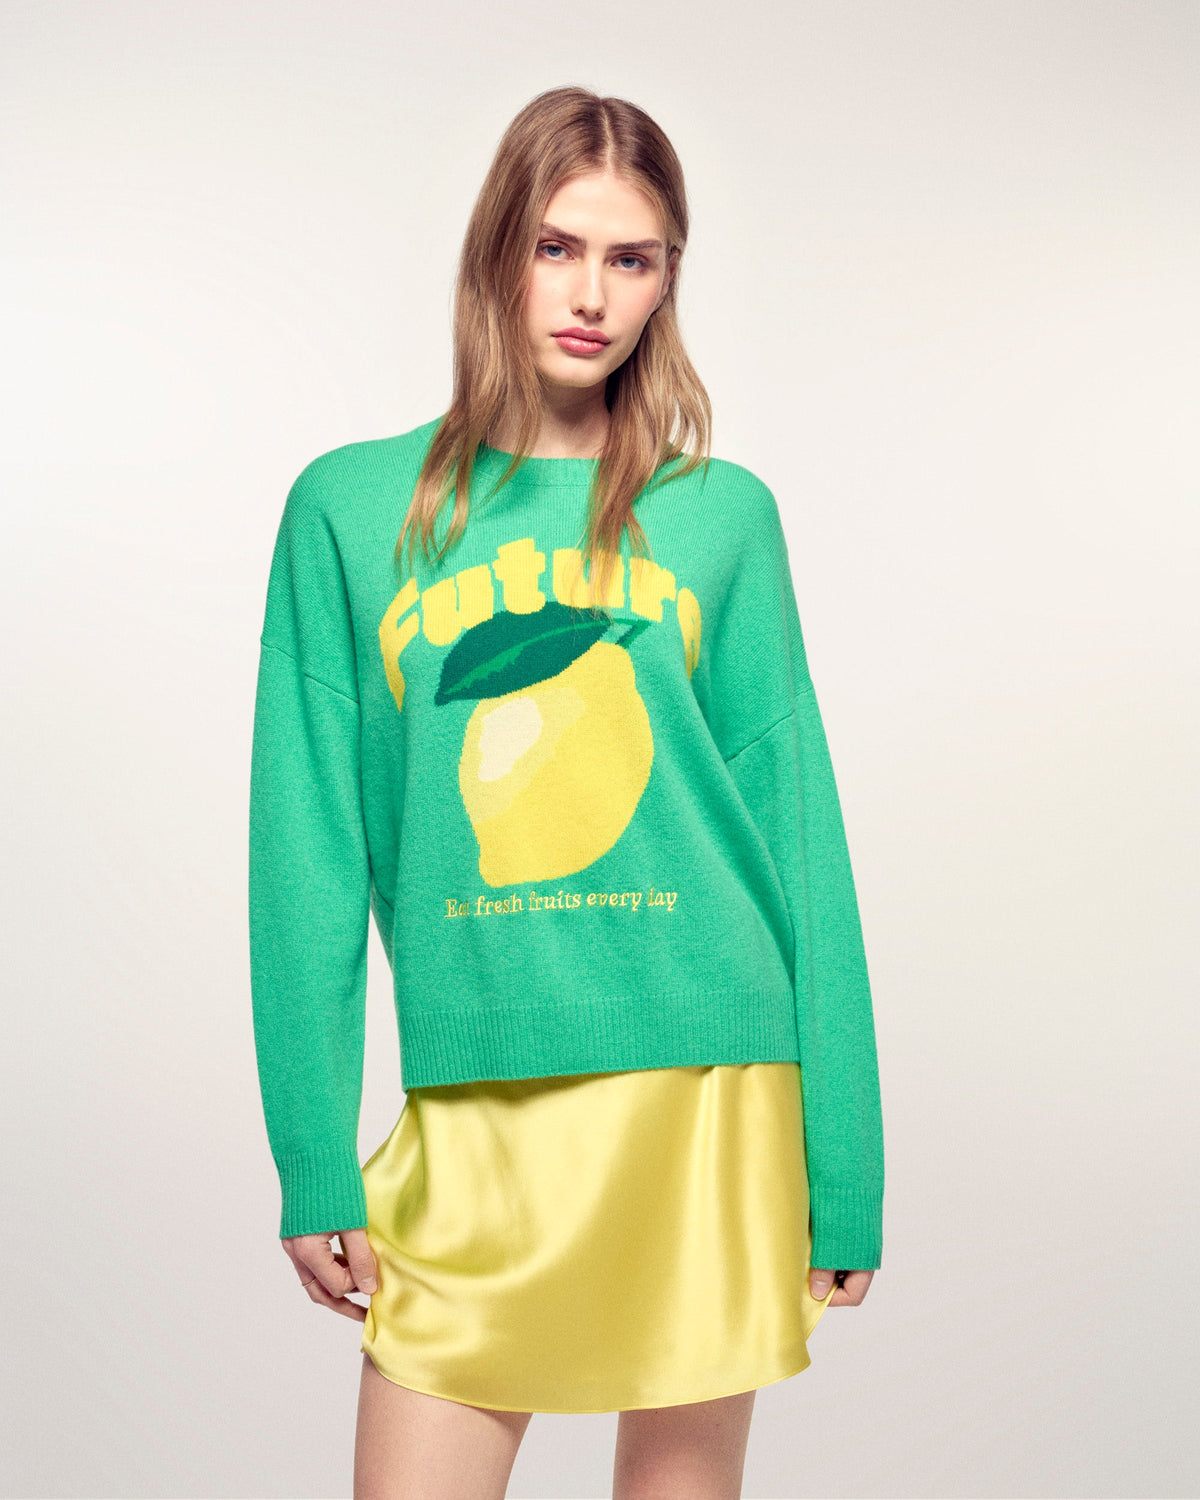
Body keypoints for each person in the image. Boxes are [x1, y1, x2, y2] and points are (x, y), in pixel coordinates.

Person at [249, 85, 885, 1500]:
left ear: (667, 280)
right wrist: (311, 1152)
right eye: (557, 247)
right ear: (498, 251)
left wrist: (846, 1161)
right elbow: (306, 850)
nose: (592, 295)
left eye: (631, 258)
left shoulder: (721, 517)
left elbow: (798, 840)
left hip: (710, 1095)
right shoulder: (352, 510)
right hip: (480, 1100)